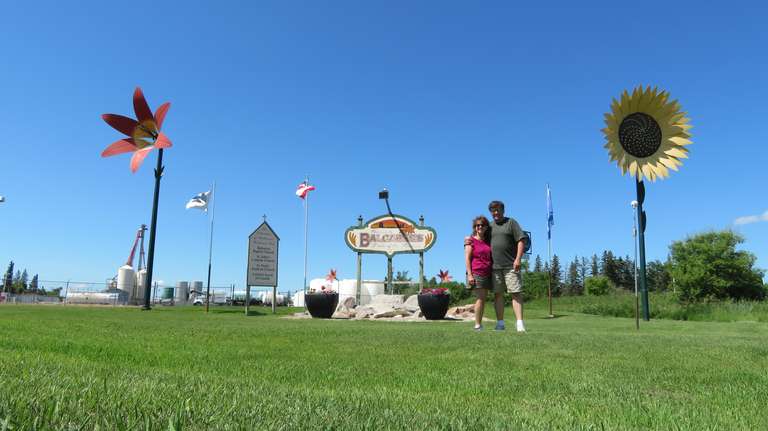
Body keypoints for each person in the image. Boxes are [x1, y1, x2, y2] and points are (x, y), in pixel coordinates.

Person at [465, 200, 528, 332]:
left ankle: (520, 324)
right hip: (494, 268)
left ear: (503, 210)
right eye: (493, 211)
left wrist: (518, 259)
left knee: (515, 293)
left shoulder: (511, 222)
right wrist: (469, 239)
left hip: (511, 265)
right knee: (498, 294)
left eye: (498, 210)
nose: (495, 212)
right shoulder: (490, 227)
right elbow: (479, 237)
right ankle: (500, 324)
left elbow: (521, 240)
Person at [464, 216, 493, 331]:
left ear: (486, 227)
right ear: (474, 228)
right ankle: (477, 325)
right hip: (477, 272)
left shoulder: (487, 241)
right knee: (480, 298)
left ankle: (479, 324)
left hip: (487, 273)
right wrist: (470, 274)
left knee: (483, 299)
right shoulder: (470, 240)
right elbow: (467, 258)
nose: (479, 227)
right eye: (477, 225)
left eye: (482, 225)